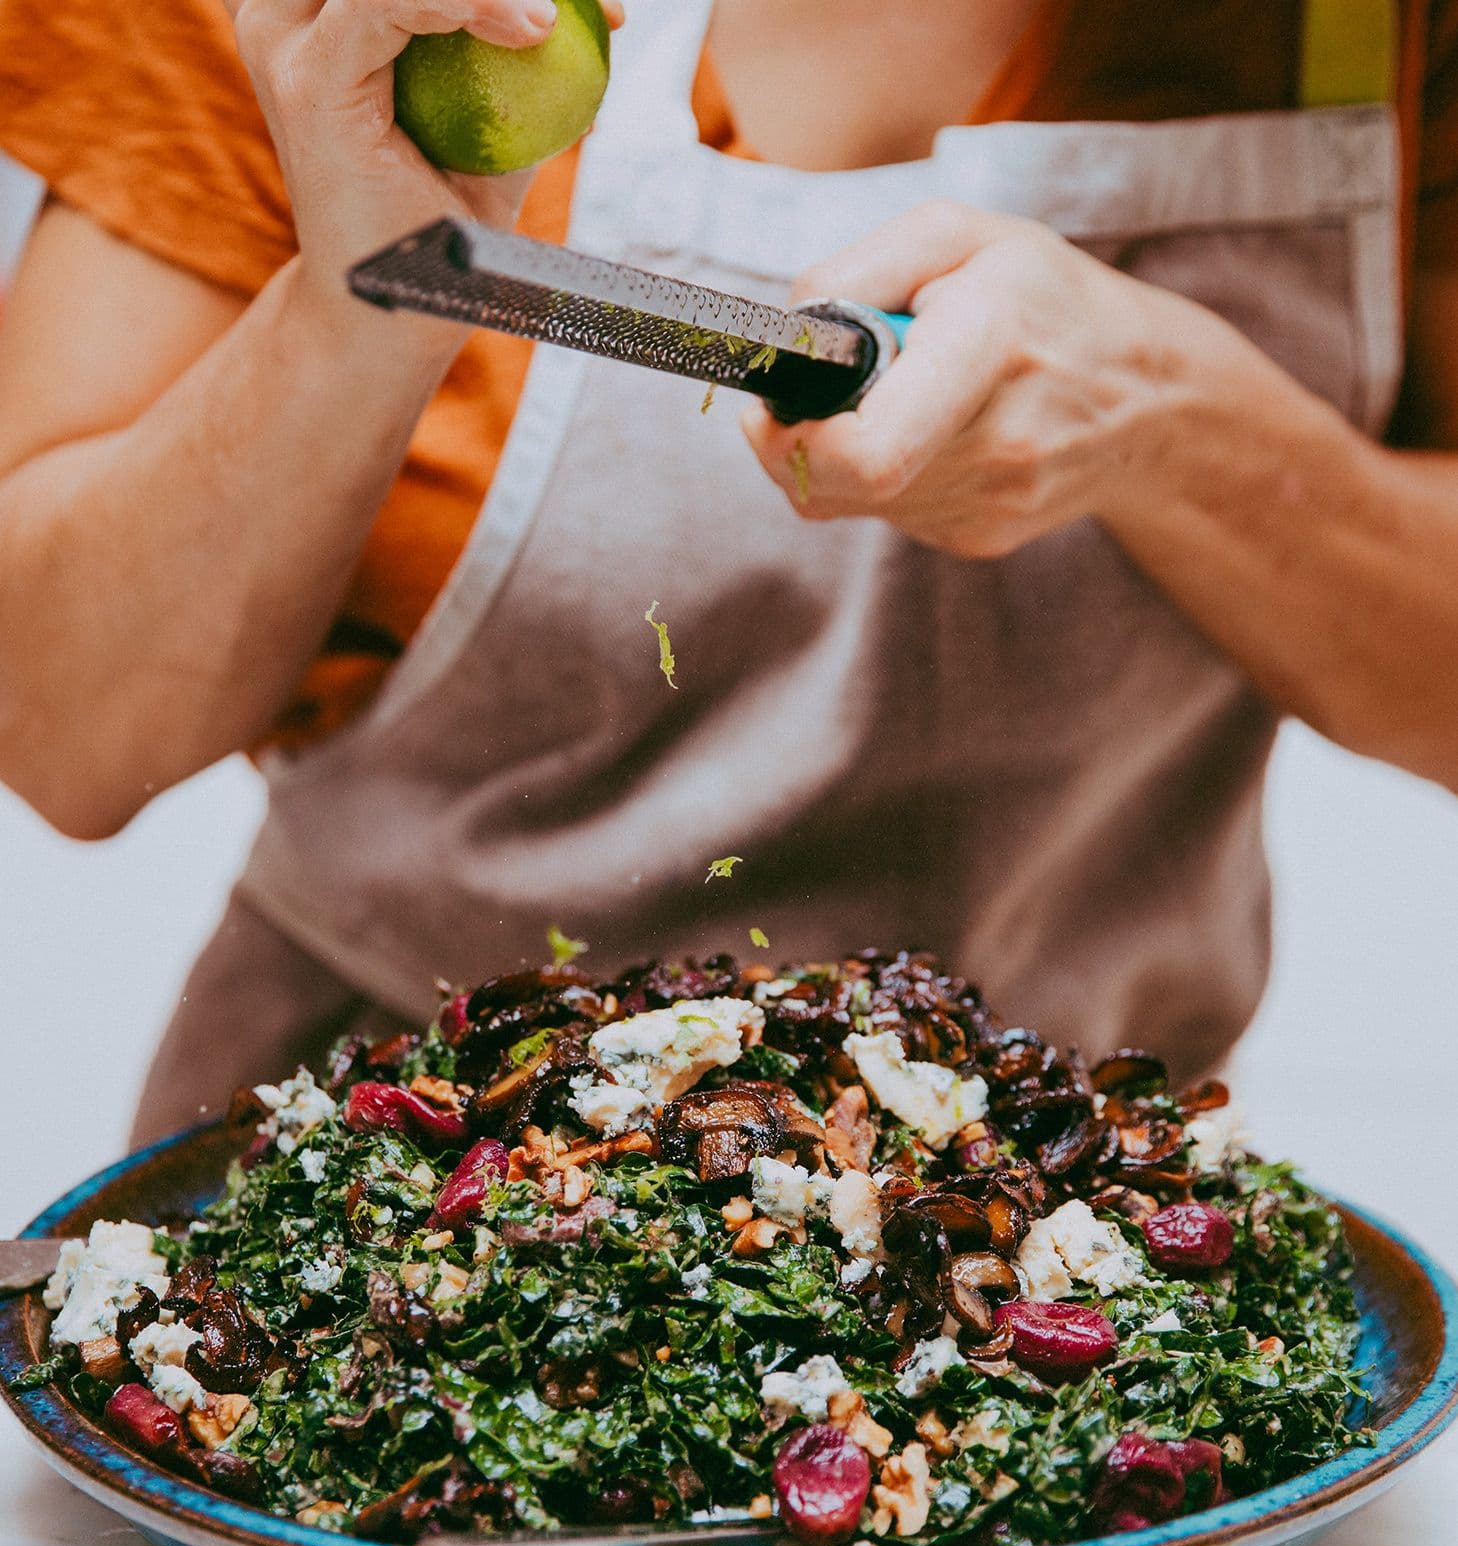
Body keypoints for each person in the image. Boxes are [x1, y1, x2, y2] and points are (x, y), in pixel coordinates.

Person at [0, 0, 1456, 1145]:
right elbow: (63, 729)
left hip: (1060, 1229)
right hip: (386, 1235)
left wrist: (1173, 418)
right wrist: (368, 301)